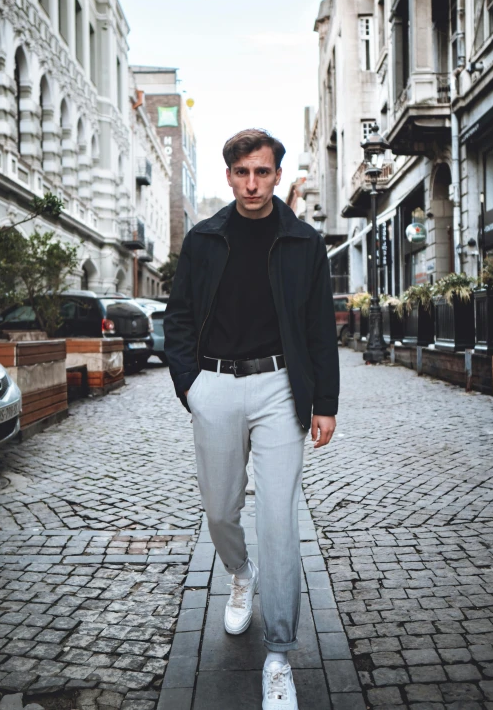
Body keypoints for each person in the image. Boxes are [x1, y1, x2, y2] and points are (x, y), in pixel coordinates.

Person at [164, 128, 339, 710]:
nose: (252, 184)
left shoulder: (303, 242)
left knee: (280, 520)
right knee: (220, 507)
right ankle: (240, 573)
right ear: (230, 175)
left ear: (277, 174)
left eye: (262, 172)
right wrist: (190, 385)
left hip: (280, 389)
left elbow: (319, 329)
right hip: (213, 384)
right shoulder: (204, 240)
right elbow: (179, 317)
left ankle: (280, 653)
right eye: (242, 173)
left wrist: (325, 403)